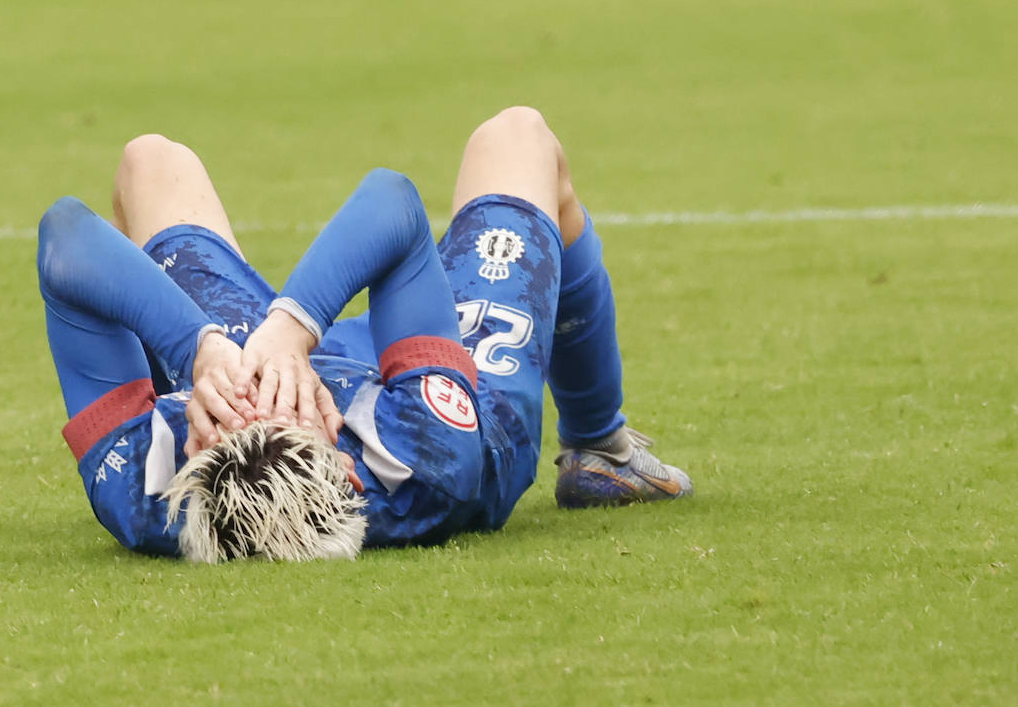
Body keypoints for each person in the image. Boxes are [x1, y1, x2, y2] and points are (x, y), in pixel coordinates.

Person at [37, 107, 692, 562]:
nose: (257, 394)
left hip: (238, 365)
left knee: (149, 162)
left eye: (231, 413)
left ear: (197, 455)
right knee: (517, 138)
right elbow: (392, 204)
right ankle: (600, 448)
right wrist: (294, 329)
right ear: (346, 469)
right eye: (277, 409)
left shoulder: (143, 485)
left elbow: (65, 237)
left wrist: (201, 351)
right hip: (452, 397)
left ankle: (220, 357)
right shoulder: (430, 455)